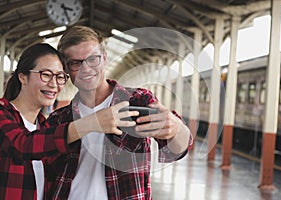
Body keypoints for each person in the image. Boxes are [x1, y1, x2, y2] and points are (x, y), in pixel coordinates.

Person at [47, 25, 193, 200]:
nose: (86, 69)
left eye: (93, 59)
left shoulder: (138, 100)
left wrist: (176, 128)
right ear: (66, 69)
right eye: (76, 63)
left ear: (105, 58)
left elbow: (176, 150)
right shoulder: (58, 119)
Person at [0, 43, 138, 200]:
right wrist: (90, 123)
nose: (53, 84)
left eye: (60, 77)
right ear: (22, 76)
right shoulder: (3, 114)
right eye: (45, 74)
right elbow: (23, 146)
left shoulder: (46, 126)